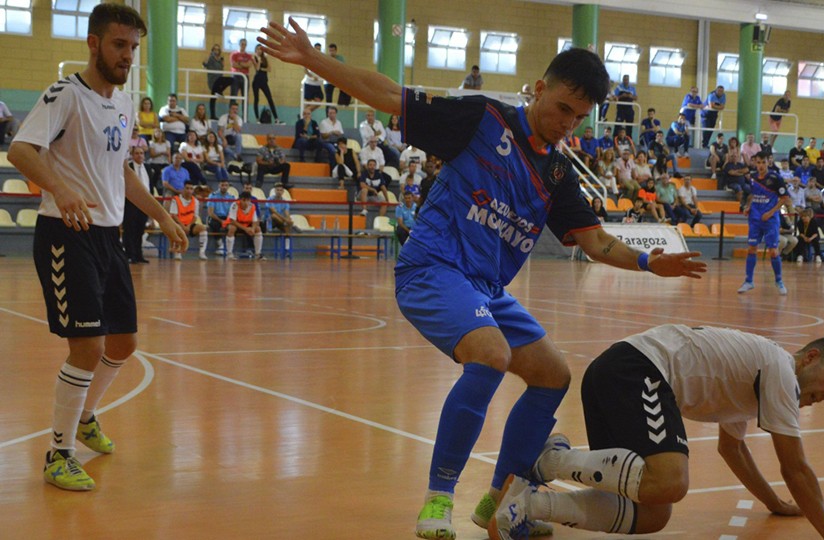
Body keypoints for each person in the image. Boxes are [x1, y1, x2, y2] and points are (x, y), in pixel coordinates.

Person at [258, 23, 708, 540]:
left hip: (486, 291)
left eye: (580, 118)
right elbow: (388, 95)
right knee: (491, 354)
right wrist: (315, 61)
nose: (568, 124)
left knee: (553, 375)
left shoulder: (557, 174)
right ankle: (438, 499)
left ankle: (500, 500)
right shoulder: (482, 119)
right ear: (539, 89)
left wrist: (651, 263)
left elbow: (596, 242)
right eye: (563, 108)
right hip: (432, 269)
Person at [7, 3, 188, 491]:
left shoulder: (125, 104)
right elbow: (20, 150)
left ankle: (87, 416)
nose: (128, 55)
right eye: (118, 45)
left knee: (123, 342)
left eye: (133, 47)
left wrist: (162, 215)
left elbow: (120, 172)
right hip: (66, 235)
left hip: (109, 237)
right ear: (94, 43)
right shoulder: (66, 93)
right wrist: (60, 190)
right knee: (86, 345)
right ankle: (58, 453)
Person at [490, 325, 824, 540]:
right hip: (636, 369)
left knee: (654, 513)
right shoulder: (781, 371)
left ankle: (525, 507)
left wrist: (774, 504)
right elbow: (795, 468)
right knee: (671, 480)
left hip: (617, 374)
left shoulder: (760, 382)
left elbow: (732, 450)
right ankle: (550, 459)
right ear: (810, 357)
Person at [738, 152, 790, 295]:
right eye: (758, 162)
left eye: (763, 162)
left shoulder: (775, 178)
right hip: (755, 218)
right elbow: (753, 195)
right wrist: (748, 207)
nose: (760, 165)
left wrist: (771, 212)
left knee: (773, 251)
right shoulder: (753, 177)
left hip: (770, 219)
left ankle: (779, 281)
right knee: (751, 248)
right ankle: (749, 281)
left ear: (768, 162)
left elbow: (784, 198)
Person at [123, 146, 151, 263]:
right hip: (130, 203)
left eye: (141, 153)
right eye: (137, 153)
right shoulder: (128, 167)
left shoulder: (148, 168)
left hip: (144, 203)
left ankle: (139, 255)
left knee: (140, 230)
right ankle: (130, 255)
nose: (140, 155)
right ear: (132, 155)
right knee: (129, 229)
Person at [168, 183, 208, 260]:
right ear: (183, 189)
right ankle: (177, 252)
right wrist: (183, 226)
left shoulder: (195, 201)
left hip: (189, 224)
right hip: (178, 223)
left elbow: (195, 216)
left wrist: (188, 226)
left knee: (203, 228)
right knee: (178, 229)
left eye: (191, 188)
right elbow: (174, 215)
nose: (189, 190)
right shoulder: (176, 199)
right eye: (187, 188)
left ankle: (202, 253)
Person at [226, 191, 264, 260]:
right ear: (240, 199)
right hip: (235, 224)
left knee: (258, 228)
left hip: (246, 224)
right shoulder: (234, 205)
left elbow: (255, 221)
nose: (246, 202)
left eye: (248, 200)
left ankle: (258, 254)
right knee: (232, 228)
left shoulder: (252, 206)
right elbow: (232, 221)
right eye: (243, 200)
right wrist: (246, 229)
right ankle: (229, 254)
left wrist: (252, 228)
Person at [203, 43, 234, 117]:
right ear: (212, 50)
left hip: (219, 80)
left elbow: (222, 68)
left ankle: (220, 91)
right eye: (215, 49)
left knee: (232, 80)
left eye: (218, 49)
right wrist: (208, 56)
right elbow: (204, 65)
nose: (216, 51)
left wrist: (222, 60)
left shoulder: (220, 59)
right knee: (213, 98)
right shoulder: (211, 58)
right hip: (213, 80)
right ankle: (213, 115)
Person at [252, 44, 279, 123]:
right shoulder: (254, 58)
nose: (259, 51)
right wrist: (259, 61)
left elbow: (269, 69)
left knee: (269, 98)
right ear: (255, 50)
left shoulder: (265, 58)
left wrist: (262, 68)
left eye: (260, 49)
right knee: (256, 99)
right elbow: (257, 68)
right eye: (257, 49)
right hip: (256, 81)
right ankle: (257, 119)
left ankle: (276, 118)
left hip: (264, 81)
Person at [302, 43, 326, 113]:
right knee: (308, 103)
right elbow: (305, 70)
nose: (318, 50)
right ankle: (304, 115)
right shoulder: (308, 57)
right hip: (309, 83)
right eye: (316, 49)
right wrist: (312, 76)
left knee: (318, 102)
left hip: (317, 85)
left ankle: (305, 114)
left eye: (319, 49)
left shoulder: (322, 59)